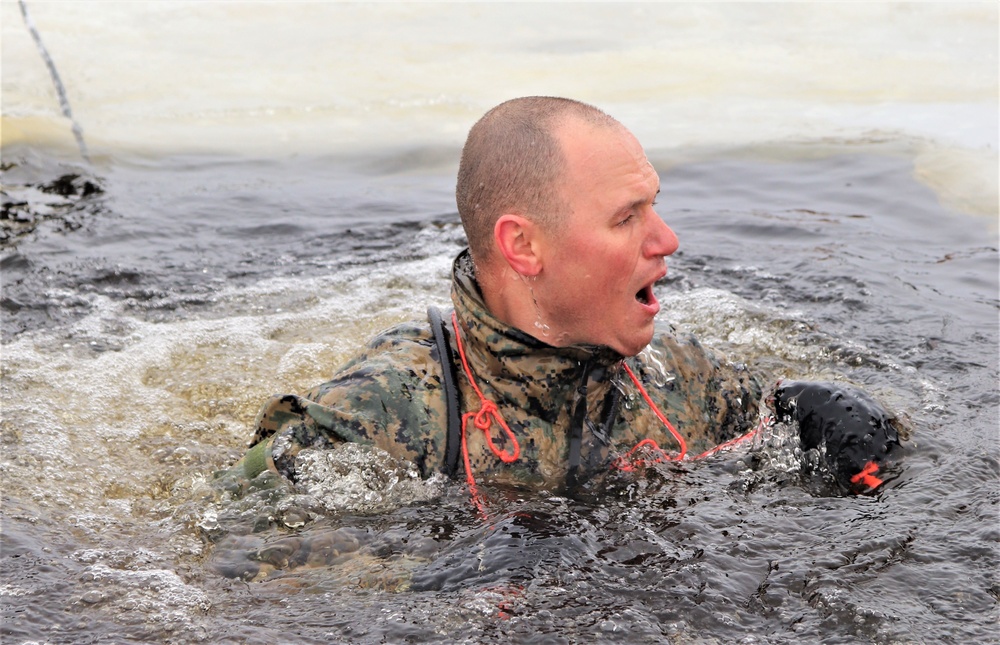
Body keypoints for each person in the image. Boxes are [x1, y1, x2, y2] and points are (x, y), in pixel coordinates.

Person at [228, 96, 900, 499]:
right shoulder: (383, 414)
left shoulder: (679, 383)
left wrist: (821, 413)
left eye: (654, 207)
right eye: (625, 216)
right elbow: (226, 562)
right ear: (524, 246)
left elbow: (777, 420)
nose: (667, 239)